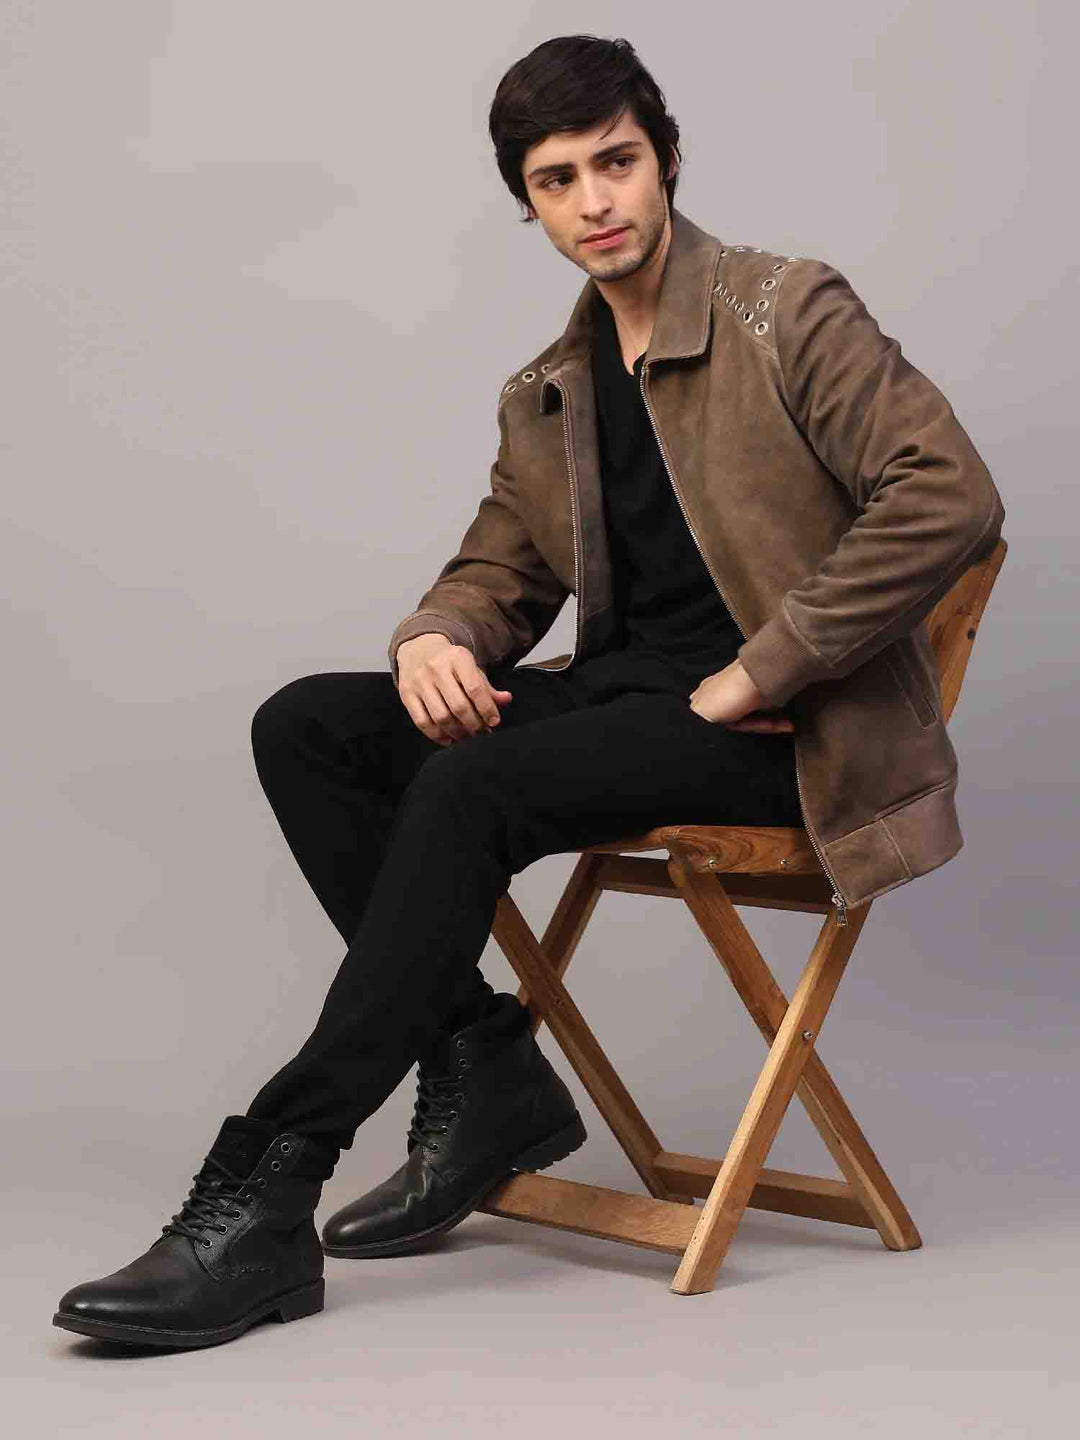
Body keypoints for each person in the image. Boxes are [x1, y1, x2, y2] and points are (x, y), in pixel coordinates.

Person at [52, 33, 1004, 1349]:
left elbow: (949, 494)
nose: (594, 202)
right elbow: (497, 569)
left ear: (666, 160)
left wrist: (762, 666)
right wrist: (435, 638)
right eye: (558, 180)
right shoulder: (550, 391)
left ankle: (270, 1184)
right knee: (310, 728)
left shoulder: (786, 312)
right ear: (529, 202)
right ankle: (484, 1067)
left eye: (617, 162)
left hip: (788, 732)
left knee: (473, 787)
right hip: (625, 706)